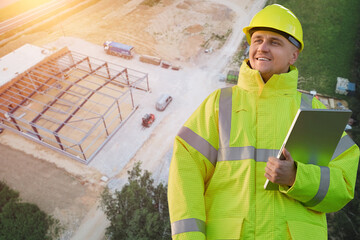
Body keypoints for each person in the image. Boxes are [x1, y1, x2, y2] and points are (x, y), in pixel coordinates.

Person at [168, 4, 360, 240]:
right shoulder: (219, 105)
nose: (262, 48)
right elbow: (185, 175)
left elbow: (343, 185)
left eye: (274, 42)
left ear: (294, 55)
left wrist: (296, 178)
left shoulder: (314, 113)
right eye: (257, 40)